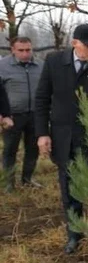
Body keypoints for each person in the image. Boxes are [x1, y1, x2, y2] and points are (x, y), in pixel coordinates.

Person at [35, 24, 88, 254]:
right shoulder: (54, 62)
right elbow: (42, 99)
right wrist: (42, 133)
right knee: (69, 189)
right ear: (74, 44)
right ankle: (74, 235)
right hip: (64, 138)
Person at [0, 37, 43, 191]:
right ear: (12, 50)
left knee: (33, 149)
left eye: (28, 50)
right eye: (21, 50)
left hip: (36, 115)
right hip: (12, 116)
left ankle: (27, 178)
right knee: (10, 149)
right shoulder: (2, 66)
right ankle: (8, 183)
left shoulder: (40, 66)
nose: (25, 54)